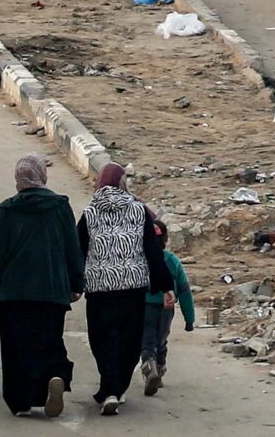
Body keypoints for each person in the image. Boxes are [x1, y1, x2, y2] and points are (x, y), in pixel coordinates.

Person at [0, 154, 85, 419]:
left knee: (17, 347)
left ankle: (21, 401)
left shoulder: (9, 210)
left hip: (15, 293)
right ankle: (56, 375)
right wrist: (76, 282)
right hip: (53, 291)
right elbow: (72, 248)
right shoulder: (60, 207)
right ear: (42, 175)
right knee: (50, 340)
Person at [77, 163, 170, 415]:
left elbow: (78, 251)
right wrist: (165, 285)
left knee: (102, 338)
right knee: (128, 341)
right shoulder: (139, 210)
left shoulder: (90, 212)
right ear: (122, 183)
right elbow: (153, 251)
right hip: (132, 288)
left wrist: (74, 284)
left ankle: (109, 388)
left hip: (99, 289)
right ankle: (115, 389)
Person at [139, 220, 194, 396]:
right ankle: (160, 369)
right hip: (166, 309)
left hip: (144, 307)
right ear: (165, 239)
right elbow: (184, 291)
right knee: (161, 340)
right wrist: (189, 319)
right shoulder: (172, 261)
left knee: (146, 342)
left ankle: (149, 367)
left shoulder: (138, 260)